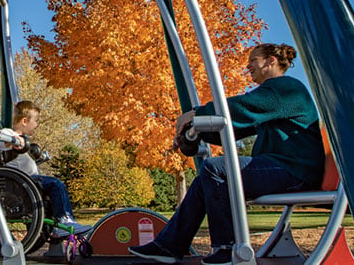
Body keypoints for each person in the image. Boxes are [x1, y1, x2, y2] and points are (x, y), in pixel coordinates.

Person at [129, 43, 325, 265]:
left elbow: (240, 108)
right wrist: (198, 132)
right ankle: (169, 245)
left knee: (216, 168)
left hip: (294, 170)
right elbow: (234, 129)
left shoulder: (286, 89)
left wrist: (196, 114)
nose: (248, 65)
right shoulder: (274, 98)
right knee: (208, 174)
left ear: (271, 61)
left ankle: (228, 248)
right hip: (282, 168)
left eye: (254, 59)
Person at [2, 100, 92, 237]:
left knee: (51, 195)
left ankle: (54, 231)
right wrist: (15, 139)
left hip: (28, 181)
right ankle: (64, 219)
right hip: (22, 183)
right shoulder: (8, 134)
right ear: (25, 121)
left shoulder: (22, 139)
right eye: (36, 120)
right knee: (56, 184)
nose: (37, 125)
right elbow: (0, 138)